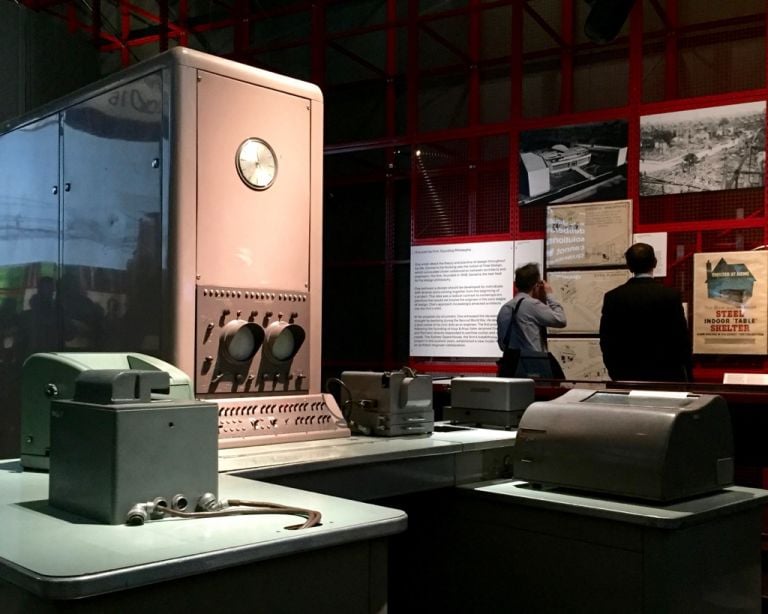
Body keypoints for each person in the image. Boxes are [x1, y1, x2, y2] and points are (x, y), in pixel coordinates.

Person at [599, 242, 692, 382]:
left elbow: (607, 340)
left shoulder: (613, 297)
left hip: (627, 373)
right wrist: (686, 372)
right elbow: (681, 338)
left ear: (629, 266)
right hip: (666, 374)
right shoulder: (670, 295)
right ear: (654, 263)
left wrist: (615, 371)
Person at [496, 263, 567, 377]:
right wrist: (549, 294)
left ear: (516, 284)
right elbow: (561, 320)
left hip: (510, 367)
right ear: (536, 285)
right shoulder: (532, 305)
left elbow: (502, 344)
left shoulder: (505, 308)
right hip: (532, 368)